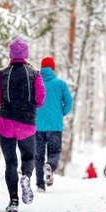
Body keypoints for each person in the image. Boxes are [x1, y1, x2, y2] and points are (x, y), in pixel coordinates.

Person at [0, 39, 46, 212]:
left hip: (5, 123)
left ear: (11, 55)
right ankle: (27, 178)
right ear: (26, 54)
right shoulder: (35, 74)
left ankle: (13, 201)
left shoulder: (1, 74)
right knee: (28, 158)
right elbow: (41, 99)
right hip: (26, 124)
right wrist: (29, 105)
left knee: (10, 163)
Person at [35, 57, 73, 192]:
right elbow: (69, 101)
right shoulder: (60, 84)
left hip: (37, 126)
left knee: (38, 156)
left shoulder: (35, 83)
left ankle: (40, 185)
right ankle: (50, 166)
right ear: (53, 68)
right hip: (55, 126)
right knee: (54, 151)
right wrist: (61, 113)